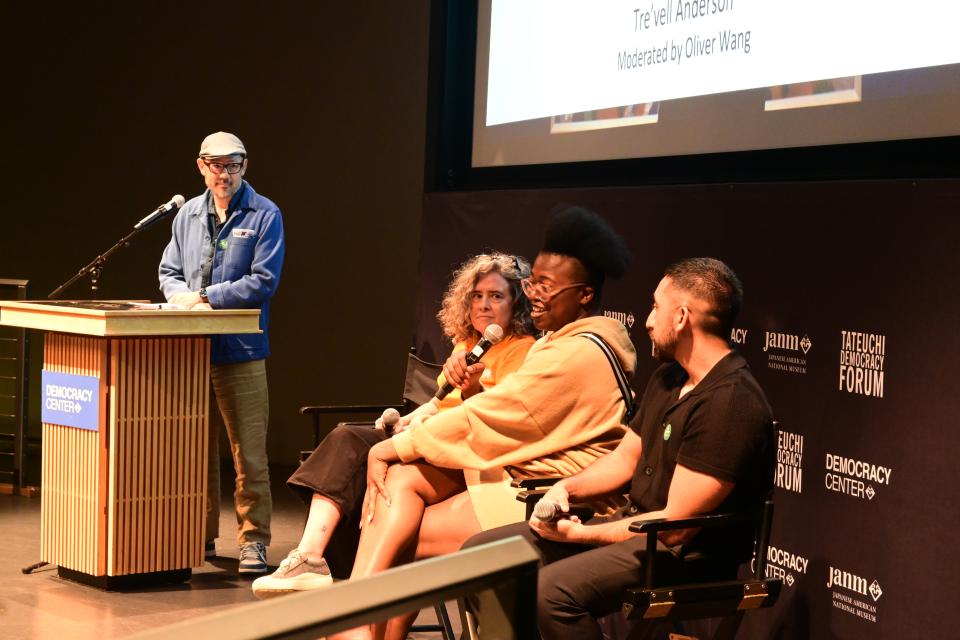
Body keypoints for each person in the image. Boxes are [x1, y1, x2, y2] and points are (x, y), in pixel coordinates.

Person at [336, 206, 638, 640]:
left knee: (399, 529)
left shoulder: (577, 353)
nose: (533, 294)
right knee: (398, 490)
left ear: (585, 295)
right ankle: (363, 630)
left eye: (546, 287)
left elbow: (495, 416)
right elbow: (496, 412)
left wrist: (389, 447)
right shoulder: (559, 340)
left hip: (549, 495)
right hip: (518, 476)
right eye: (533, 282)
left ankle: (356, 628)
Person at [466, 257, 776, 639]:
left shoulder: (731, 403)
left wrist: (579, 536)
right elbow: (623, 460)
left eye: (656, 307)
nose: (647, 320)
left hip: (686, 555)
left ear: (681, 318)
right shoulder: (669, 378)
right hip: (637, 530)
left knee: (552, 594)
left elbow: (675, 530)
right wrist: (565, 489)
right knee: (480, 560)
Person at [251, 253, 536, 595]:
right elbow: (438, 401)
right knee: (347, 440)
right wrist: (407, 420)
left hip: (465, 455)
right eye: (477, 296)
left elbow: (490, 421)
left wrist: (465, 395)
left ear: (517, 303)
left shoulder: (521, 350)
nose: (484, 305)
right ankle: (312, 558)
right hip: (431, 436)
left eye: (496, 296)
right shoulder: (469, 345)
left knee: (352, 446)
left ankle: (318, 561)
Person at [158, 131, 285, 574]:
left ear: (245, 166)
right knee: (196, 452)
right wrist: (179, 297)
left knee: (248, 455)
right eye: (216, 165)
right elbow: (169, 271)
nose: (224, 173)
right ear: (201, 166)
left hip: (242, 350)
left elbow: (262, 281)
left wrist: (205, 296)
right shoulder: (187, 214)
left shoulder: (265, 214)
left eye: (232, 165)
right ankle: (200, 534)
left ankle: (254, 542)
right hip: (191, 353)